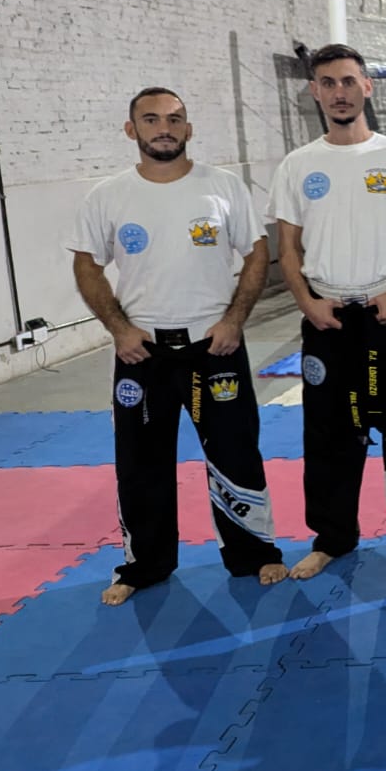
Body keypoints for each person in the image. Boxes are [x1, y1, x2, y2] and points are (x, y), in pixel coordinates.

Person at [69, 88, 286, 605]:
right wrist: (119, 329)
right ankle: (145, 565)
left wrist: (234, 320)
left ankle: (254, 553)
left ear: (188, 128)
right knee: (140, 461)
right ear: (131, 129)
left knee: (235, 452)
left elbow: (257, 254)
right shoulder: (108, 195)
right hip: (141, 350)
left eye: (174, 119)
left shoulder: (223, 186)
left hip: (214, 343)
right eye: (151, 119)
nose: (163, 128)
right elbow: (87, 265)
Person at [270, 44, 386, 579]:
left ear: (367, 87)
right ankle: (332, 537)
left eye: (349, 81)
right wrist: (306, 303)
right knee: (328, 434)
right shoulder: (298, 165)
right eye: (328, 83)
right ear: (314, 92)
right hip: (328, 317)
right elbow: (288, 246)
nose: (340, 92)